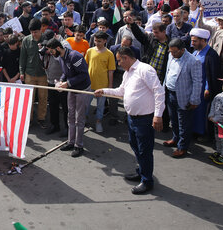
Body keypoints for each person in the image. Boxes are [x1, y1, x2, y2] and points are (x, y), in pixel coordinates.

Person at [95, 46, 165, 195]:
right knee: (135, 147)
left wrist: (158, 115)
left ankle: (147, 181)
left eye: (119, 60)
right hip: (132, 118)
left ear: (126, 57)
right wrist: (104, 91)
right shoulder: (128, 73)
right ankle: (141, 172)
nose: (118, 63)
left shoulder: (145, 70)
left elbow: (159, 92)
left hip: (145, 119)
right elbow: (121, 91)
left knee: (144, 150)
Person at [47, 38, 91, 157]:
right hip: (71, 89)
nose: (51, 54)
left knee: (79, 119)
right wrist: (61, 80)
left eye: (51, 51)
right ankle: (71, 142)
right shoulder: (61, 57)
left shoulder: (74, 56)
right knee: (70, 116)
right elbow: (65, 73)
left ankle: (79, 145)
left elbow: (83, 75)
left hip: (81, 90)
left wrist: (67, 83)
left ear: (57, 48)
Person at [163, 38, 203, 158]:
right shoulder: (171, 56)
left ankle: (182, 147)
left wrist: (194, 100)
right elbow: (168, 72)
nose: (172, 54)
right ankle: (175, 139)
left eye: (174, 52)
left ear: (182, 50)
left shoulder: (193, 61)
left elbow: (197, 82)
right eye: (170, 52)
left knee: (184, 124)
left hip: (183, 97)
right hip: (170, 93)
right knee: (173, 120)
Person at [84, 31, 116, 134]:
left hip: (103, 85)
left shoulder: (109, 54)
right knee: (85, 104)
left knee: (100, 106)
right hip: (89, 84)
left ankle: (98, 122)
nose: (97, 43)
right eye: (95, 41)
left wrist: (110, 86)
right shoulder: (89, 51)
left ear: (105, 41)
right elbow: (85, 66)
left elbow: (111, 71)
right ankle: (84, 121)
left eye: (99, 41)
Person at [19, 19, 48, 128]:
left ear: (41, 29)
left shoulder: (46, 39)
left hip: (43, 74)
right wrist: (22, 72)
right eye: (31, 32)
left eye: (35, 32)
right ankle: (28, 119)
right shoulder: (26, 40)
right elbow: (23, 58)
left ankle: (41, 118)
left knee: (43, 97)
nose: (33, 34)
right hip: (29, 74)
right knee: (29, 99)